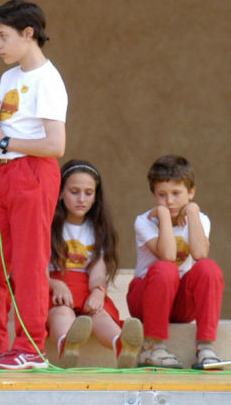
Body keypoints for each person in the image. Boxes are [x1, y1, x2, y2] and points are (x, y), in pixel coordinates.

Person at [0, 0, 66, 371]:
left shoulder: (48, 80)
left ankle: (31, 346)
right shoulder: (8, 78)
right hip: (1, 173)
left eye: (3, 36)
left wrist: (5, 140)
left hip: (32, 172)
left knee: (28, 262)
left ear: (28, 33)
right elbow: (3, 133)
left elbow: (56, 144)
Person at [127, 155, 224, 368]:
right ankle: (152, 347)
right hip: (145, 299)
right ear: (153, 194)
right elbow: (168, 255)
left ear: (191, 192)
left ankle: (205, 347)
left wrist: (193, 212)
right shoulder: (144, 221)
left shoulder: (200, 219)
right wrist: (163, 216)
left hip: (180, 304)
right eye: (162, 195)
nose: (169, 201)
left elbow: (200, 254)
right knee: (166, 268)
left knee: (209, 268)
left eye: (176, 193)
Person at [47, 160, 144, 367]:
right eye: (74, 192)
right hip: (55, 289)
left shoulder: (97, 228)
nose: (81, 199)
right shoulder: (48, 224)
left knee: (100, 313)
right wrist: (54, 284)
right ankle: (67, 345)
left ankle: (121, 344)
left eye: (88, 193)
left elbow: (98, 270)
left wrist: (98, 291)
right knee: (61, 312)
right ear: (60, 192)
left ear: (96, 196)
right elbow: (33, 266)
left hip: (86, 287)